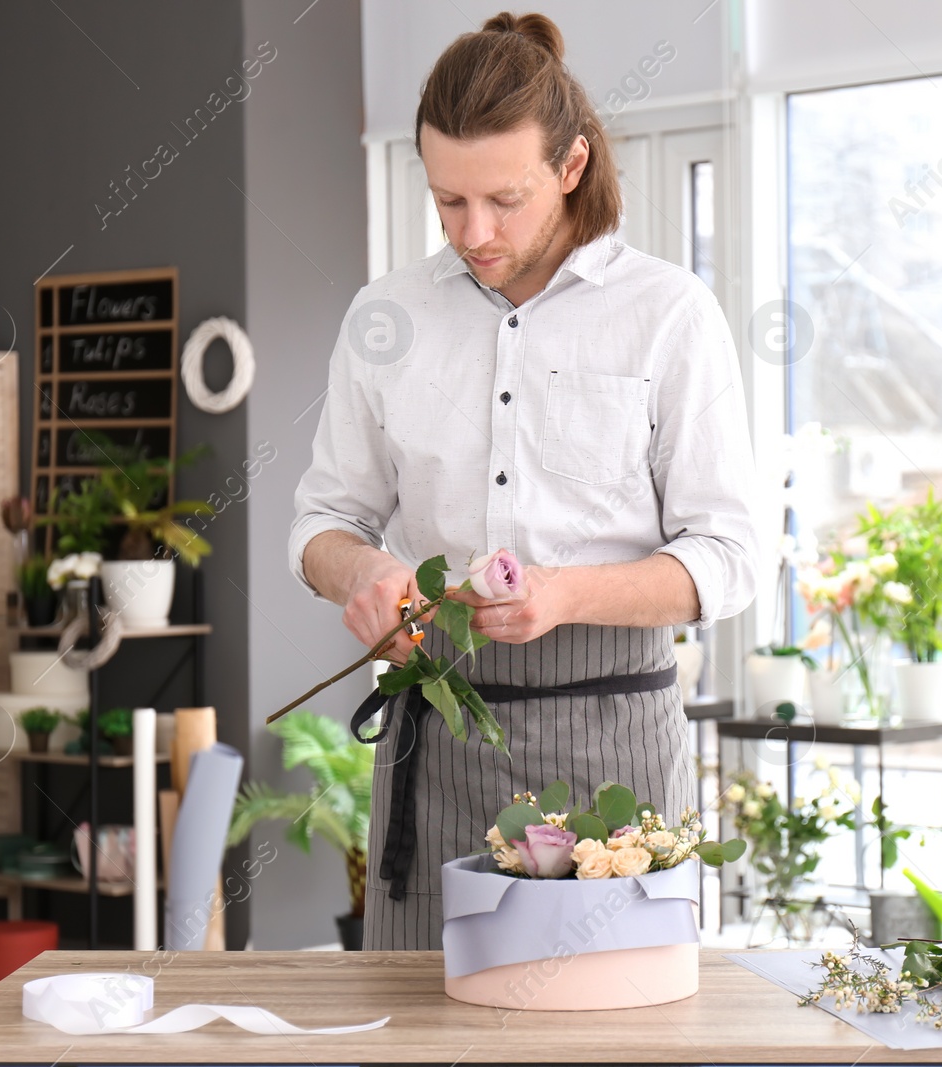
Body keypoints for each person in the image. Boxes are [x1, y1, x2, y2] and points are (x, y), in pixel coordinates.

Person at [288, 11, 758, 951]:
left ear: (572, 165)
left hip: (610, 743)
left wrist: (565, 594)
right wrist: (361, 576)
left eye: (503, 199)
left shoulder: (669, 315)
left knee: (607, 1037)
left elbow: (732, 557)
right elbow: (324, 520)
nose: (474, 231)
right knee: (424, 1031)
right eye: (447, 201)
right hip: (437, 736)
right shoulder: (386, 316)